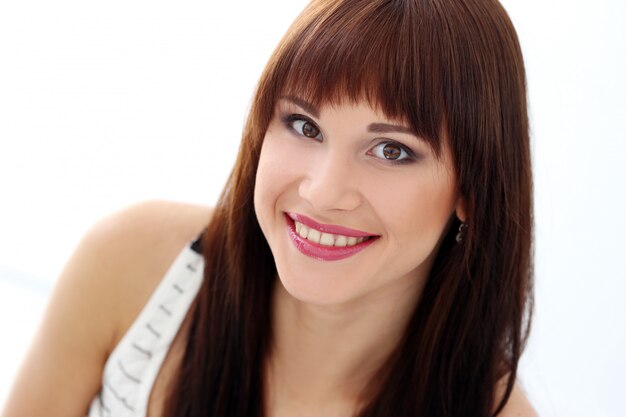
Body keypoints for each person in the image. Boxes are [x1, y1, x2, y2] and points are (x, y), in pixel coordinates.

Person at [2, 0, 537, 416]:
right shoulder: (131, 264)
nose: (323, 192)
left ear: (472, 188)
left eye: (391, 150)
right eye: (304, 126)